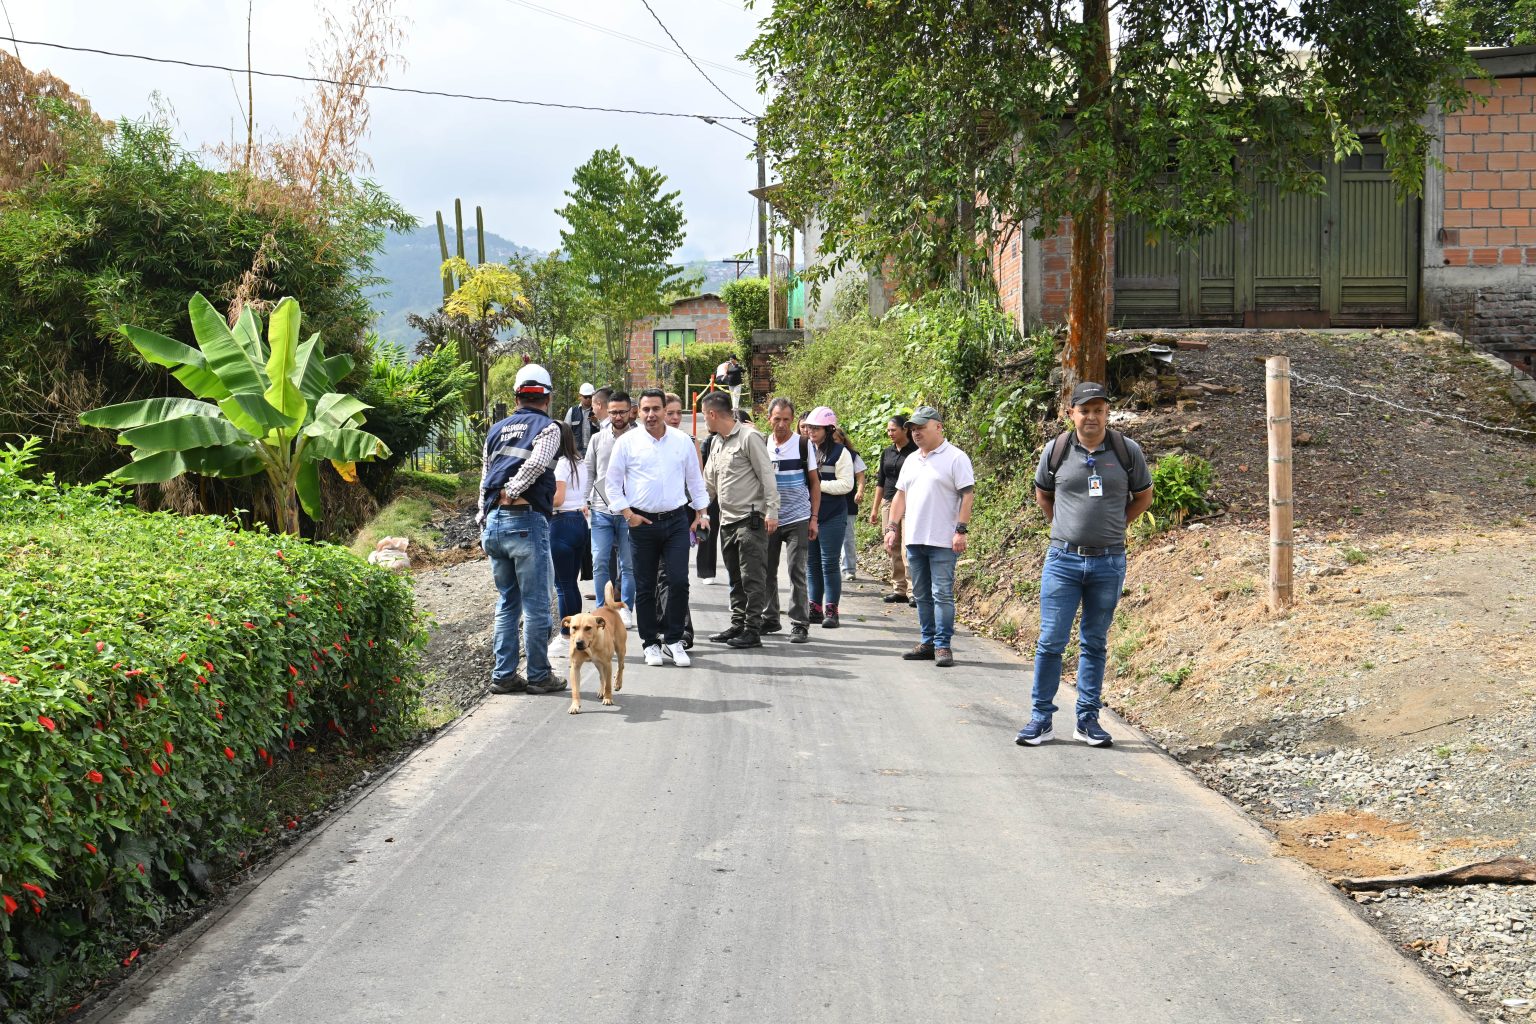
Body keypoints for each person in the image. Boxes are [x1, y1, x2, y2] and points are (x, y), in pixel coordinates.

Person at [1016, 382, 1154, 749]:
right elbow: (1043, 494)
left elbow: (1143, 496)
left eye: (1098, 410)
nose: (1091, 416)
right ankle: (1040, 719)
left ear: (1107, 413)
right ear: (1070, 413)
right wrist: (1062, 528)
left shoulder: (1126, 451)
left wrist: (1116, 526)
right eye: (1084, 410)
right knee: (1050, 641)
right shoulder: (1057, 450)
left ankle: (1087, 719)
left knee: (1094, 642)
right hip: (1062, 560)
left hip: (1109, 562)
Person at [606, 388, 711, 668]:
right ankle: (650, 642)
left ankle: (674, 639)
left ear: (666, 410)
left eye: (655, 409)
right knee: (645, 585)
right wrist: (628, 514)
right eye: (645, 410)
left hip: (676, 520)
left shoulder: (682, 442)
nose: (651, 415)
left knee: (679, 581)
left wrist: (702, 513)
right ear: (637, 412)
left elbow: (695, 480)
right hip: (642, 523)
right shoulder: (627, 443)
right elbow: (612, 484)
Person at [477, 363, 562, 695]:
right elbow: (539, 463)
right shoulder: (548, 427)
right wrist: (514, 491)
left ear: (516, 396)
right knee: (537, 601)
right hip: (524, 521)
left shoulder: (496, 429)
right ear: (548, 397)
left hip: (494, 524)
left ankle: (504, 675)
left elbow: (485, 475)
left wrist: (483, 513)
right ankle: (540, 675)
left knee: (507, 601)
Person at [883, 406, 974, 669]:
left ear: (938, 427)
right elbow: (900, 496)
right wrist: (892, 527)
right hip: (915, 538)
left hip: (944, 540)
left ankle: (943, 645)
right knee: (921, 594)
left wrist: (961, 530)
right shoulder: (912, 460)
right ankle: (928, 642)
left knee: (942, 593)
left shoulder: (956, 458)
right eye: (913, 428)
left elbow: (967, 495)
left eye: (921, 427)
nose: (916, 432)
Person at [700, 390, 779, 649]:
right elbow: (709, 483)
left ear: (712, 414)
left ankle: (752, 629)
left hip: (750, 519)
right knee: (735, 577)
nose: (704, 422)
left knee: (752, 577)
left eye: (704, 416)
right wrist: (698, 512)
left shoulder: (749, 437)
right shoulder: (716, 442)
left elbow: (767, 476)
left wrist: (773, 512)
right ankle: (738, 623)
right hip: (727, 521)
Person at [761, 399, 820, 643]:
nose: (782, 424)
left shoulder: (804, 445)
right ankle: (770, 617)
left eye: (786, 419)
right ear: (769, 419)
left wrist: (814, 518)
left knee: (797, 570)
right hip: (770, 518)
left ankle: (799, 623)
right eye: (777, 418)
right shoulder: (762, 443)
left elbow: (815, 483)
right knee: (766, 570)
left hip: (798, 517)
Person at [584, 390, 636, 627]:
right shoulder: (597, 439)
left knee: (628, 563)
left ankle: (626, 607)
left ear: (630, 411)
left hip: (629, 512)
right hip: (601, 510)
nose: (617, 416)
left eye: (621, 412)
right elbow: (589, 473)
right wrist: (583, 501)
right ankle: (602, 609)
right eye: (613, 412)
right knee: (600, 560)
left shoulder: (639, 438)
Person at [803, 406, 854, 629]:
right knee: (811, 562)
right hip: (806, 514)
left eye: (817, 428)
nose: (811, 431)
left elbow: (846, 484)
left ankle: (831, 609)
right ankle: (814, 607)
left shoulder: (840, 452)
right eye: (809, 427)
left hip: (832, 514)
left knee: (829, 563)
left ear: (828, 428)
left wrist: (816, 485)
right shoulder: (804, 449)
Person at [658, 392, 697, 648]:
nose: (674, 418)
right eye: (669, 413)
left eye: (677, 413)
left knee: (675, 576)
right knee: (657, 577)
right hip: (649, 518)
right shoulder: (644, 441)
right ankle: (668, 629)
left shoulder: (689, 442)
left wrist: (699, 516)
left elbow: (698, 482)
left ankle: (682, 630)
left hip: (681, 517)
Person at [548, 421, 590, 658]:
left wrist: (537, 501)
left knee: (562, 585)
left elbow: (559, 499)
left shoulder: (562, 465)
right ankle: (579, 635)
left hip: (562, 523)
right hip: (578, 523)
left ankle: (567, 638)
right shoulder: (578, 461)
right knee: (571, 583)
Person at [870, 414, 918, 605]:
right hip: (889, 502)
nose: (890, 433)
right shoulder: (887, 453)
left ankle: (913, 591)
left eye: (893, 430)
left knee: (907, 547)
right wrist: (875, 508)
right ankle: (899, 589)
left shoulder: (915, 452)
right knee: (892, 547)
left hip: (909, 502)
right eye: (888, 430)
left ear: (904, 429)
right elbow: (880, 482)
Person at [836, 427, 866, 583]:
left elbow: (860, 476)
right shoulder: (823, 455)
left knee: (847, 537)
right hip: (829, 502)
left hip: (848, 501)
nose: (835, 443)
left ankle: (849, 569)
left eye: (837, 440)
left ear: (843, 440)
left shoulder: (853, 456)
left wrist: (859, 491)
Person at [564, 382, 598, 456]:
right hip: (576, 451)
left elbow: (605, 429)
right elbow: (566, 431)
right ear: (580, 396)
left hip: (594, 450)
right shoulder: (572, 411)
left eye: (590, 397)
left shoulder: (598, 410)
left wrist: (597, 422)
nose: (588, 399)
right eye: (586, 397)